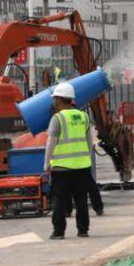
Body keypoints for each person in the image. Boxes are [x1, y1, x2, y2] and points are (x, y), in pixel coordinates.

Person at [44, 82, 96, 239]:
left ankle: (59, 232)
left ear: (59, 100)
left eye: (55, 100)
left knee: (59, 201)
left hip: (62, 168)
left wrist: (46, 163)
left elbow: (50, 143)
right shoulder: (84, 117)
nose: (54, 103)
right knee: (81, 200)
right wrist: (86, 160)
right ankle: (83, 230)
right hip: (82, 167)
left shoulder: (57, 119)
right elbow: (89, 143)